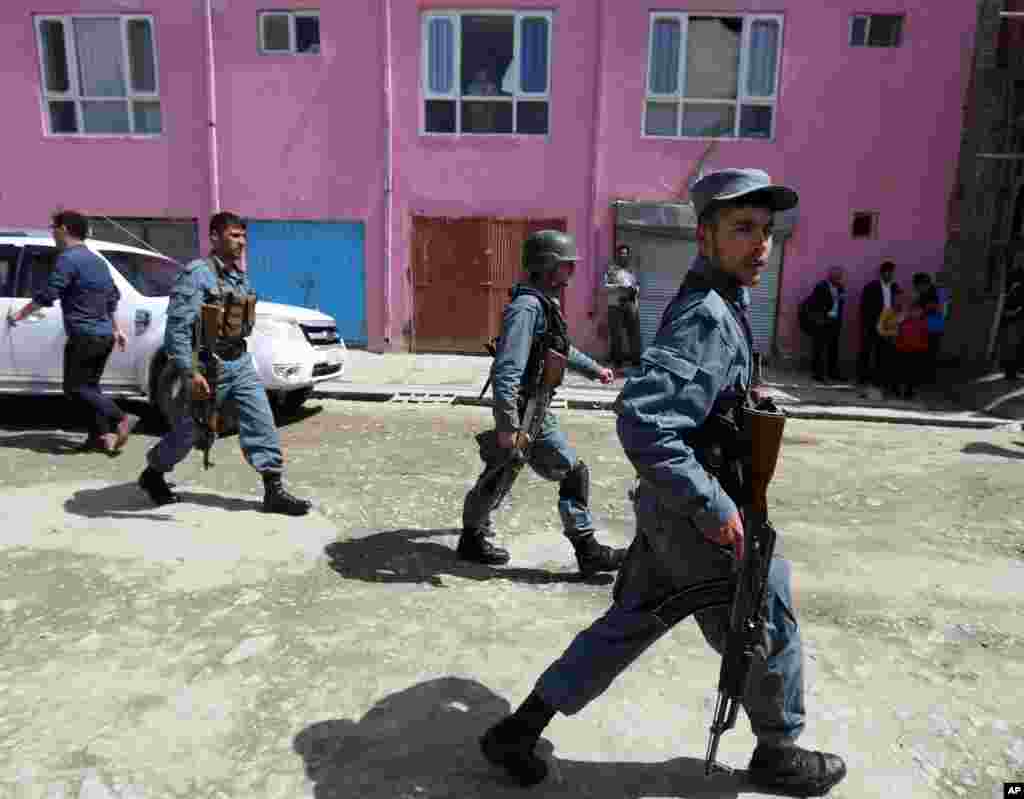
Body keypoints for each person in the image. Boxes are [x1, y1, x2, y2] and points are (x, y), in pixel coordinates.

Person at [477, 170, 847, 797]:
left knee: (629, 623)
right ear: (705, 237)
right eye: (743, 229)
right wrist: (712, 505)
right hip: (695, 514)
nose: (761, 244)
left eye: (766, 230)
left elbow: (690, 401)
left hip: (671, 510)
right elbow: (645, 421)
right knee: (767, 611)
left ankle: (518, 730)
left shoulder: (724, 300)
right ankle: (778, 752)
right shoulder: (707, 314)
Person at [458, 229, 626, 577]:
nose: (572, 272)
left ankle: (471, 536)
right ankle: (588, 550)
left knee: (501, 472)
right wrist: (508, 425)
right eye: (567, 265)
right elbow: (507, 370)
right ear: (548, 266)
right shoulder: (527, 308)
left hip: (532, 407)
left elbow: (559, 348)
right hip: (526, 410)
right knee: (571, 472)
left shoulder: (542, 304)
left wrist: (594, 370)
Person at [137, 212, 311, 516]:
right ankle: (153, 473)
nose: (241, 242)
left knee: (261, 420)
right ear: (215, 238)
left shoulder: (238, 276)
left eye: (243, 236)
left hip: (240, 362)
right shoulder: (197, 275)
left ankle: (274, 490)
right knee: (191, 430)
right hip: (208, 367)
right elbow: (177, 329)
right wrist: (189, 372)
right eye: (234, 236)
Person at [6, 210, 138, 454]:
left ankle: (121, 418)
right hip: (104, 336)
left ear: (64, 229)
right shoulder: (97, 260)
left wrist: (19, 314)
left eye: (53, 228)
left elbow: (50, 293)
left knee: (75, 388)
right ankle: (99, 438)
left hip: (84, 336)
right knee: (90, 388)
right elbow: (112, 297)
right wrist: (116, 329)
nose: (52, 233)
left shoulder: (68, 258)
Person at [857, 261, 900, 388]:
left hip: (888, 324)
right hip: (872, 323)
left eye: (892, 273)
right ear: (882, 273)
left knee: (883, 352)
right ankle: (862, 378)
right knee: (866, 351)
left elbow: (899, 304)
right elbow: (864, 307)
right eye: (888, 272)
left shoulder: (895, 287)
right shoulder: (871, 287)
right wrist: (868, 324)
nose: (890, 275)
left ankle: (879, 378)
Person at [801, 266, 846, 382]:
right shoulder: (821, 286)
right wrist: (821, 319)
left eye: (840, 276)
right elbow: (816, 305)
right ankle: (818, 374)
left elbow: (841, 304)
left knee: (833, 348)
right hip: (822, 321)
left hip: (835, 321)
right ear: (830, 276)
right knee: (819, 348)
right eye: (836, 276)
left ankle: (833, 373)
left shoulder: (841, 288)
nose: (838, 278)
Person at [603, 244, 641, 369]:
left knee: (634, 334)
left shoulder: (632, 270)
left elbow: (638, 285)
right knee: (616, 334)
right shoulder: (611, 270)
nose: (623, 255)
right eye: (621, 253)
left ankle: (636, 361)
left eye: (625, 253)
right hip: (615, 304)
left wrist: (634, 289)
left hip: (630, 304)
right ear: (617, 255)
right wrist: (619, 287)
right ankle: (617, 362)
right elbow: (605, 286)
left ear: (628, 255)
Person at [1001, 263, 1024, 380]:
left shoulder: (1014, 290)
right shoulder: (1017, 290)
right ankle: (1010, 372)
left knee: (1012, 347)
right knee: (1012, 347)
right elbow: (1011, 309)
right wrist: (1016, 311)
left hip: (1013, 321)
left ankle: (1011, 371)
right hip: (1014, 322)